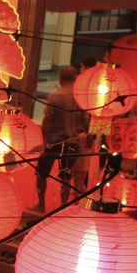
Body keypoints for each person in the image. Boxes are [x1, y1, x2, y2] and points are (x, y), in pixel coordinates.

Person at [37, 66, 88, 208]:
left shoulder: (55, 96)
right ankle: (63, 206)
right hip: (74, 144)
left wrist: (44, 140)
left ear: (60, 78)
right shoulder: (80, 98)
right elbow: (86, 123)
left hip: (54, 143)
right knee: (66, 176)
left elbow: (47, 121)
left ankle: (41, 204)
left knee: (41, 173)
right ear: (75, 78)